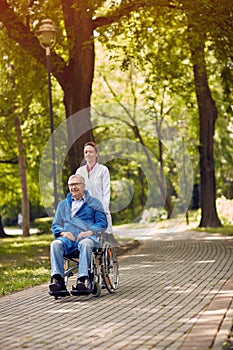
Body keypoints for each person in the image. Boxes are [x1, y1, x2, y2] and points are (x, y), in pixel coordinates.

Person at [49, 174, 107, 294]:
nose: (73, 187)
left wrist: (90, 231)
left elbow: (102, 222)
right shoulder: (63, 205)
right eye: (71, 185)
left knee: (86, 243)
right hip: (68, 239)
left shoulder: (94, 203)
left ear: (83, 186)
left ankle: (82, 280)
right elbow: (56, 225)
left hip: (87, 237)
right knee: (55, 244)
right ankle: (59, 281)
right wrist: (63, 233)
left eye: (76, 184)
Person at [75, 141, 114, 239]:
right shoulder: (80, 171)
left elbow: (106, 192)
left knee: (101, 240)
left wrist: (103, 209)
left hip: (100, 210)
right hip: (85, 211)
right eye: (86, 152)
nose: (88, 154)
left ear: (96, 154)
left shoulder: (103, 170)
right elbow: (77, 192)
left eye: (90, 152)